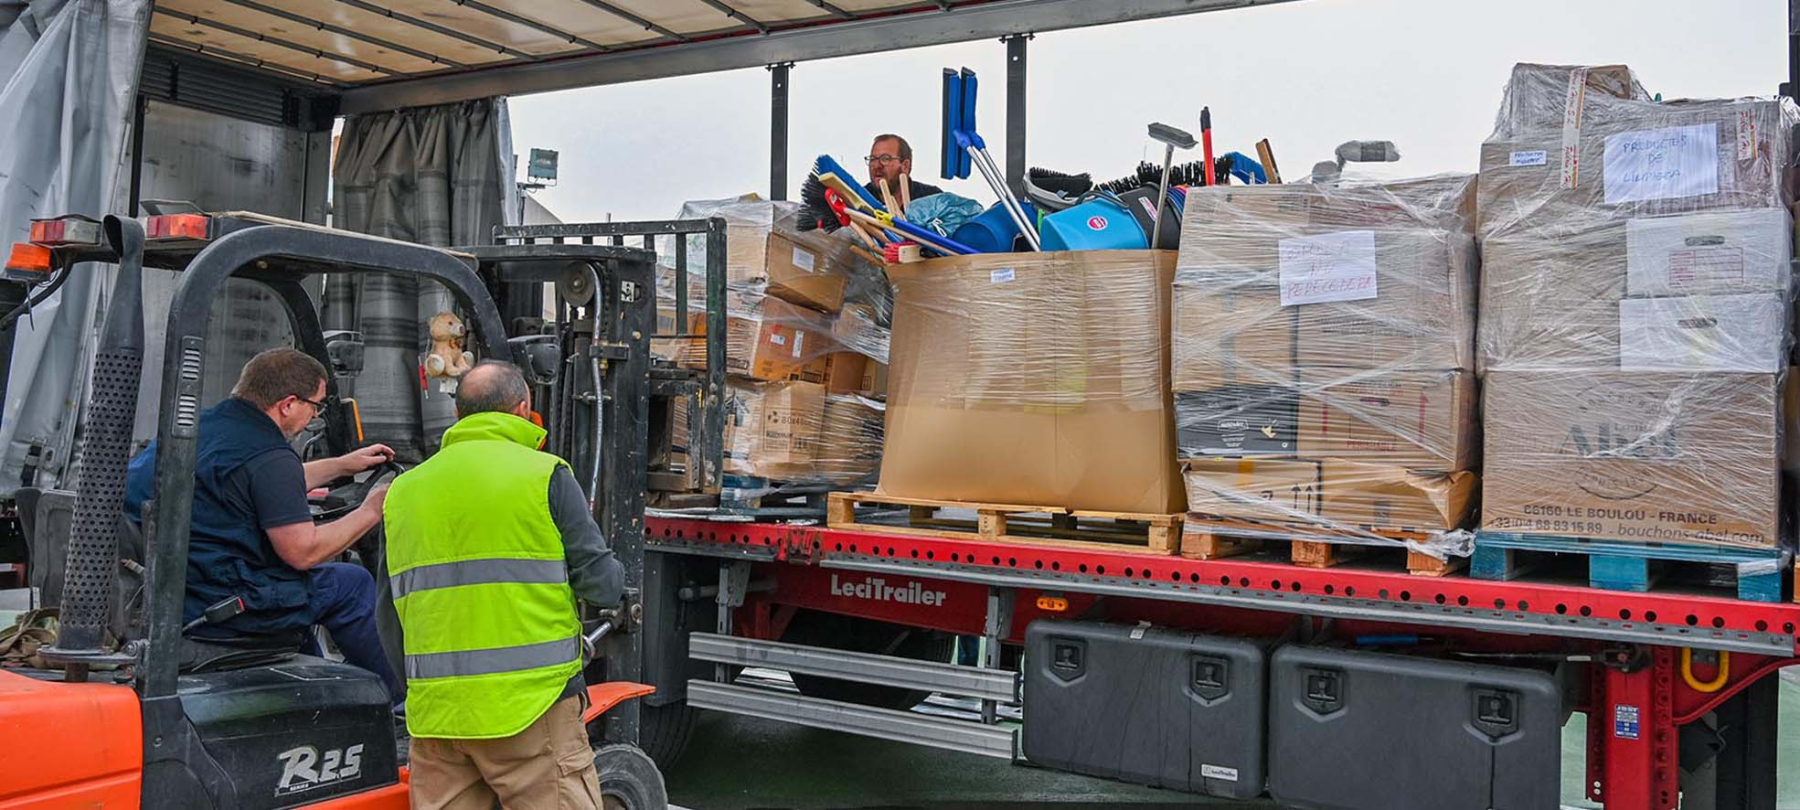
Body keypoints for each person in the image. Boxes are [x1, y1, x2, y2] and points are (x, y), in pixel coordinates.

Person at [384, 361, 625, 810]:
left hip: (438, 716)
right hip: (529, 708)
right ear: (524, 407)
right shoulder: (544, 475)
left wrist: (427, 688)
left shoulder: (404, 490)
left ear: (460, 417)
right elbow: (602, 586)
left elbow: (388, 613)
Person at [124, 347, 402, 701]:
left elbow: (258, 482)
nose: (314, 416)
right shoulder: (268, 454)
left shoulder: (202, 429)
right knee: (350, 583)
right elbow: (303, 551)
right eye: (314, 407)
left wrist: (342, 465)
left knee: (299, 597)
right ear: (287, 404)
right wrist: (370, 511)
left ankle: (322, 698)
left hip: (177, 594)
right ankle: (400, 704)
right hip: (224, 608)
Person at [865, 133, 943, 205]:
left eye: (885, 159)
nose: (877, 165)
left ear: (905, 166)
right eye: (873, 159)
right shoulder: (860, 199)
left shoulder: (932, 198)